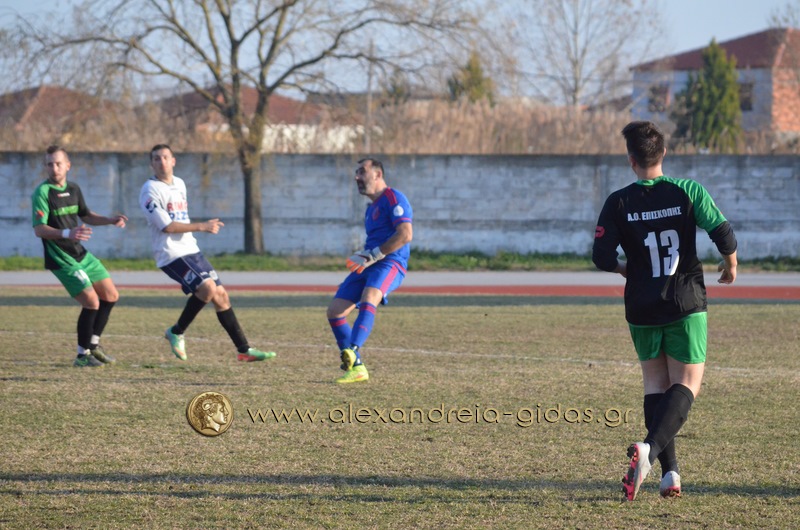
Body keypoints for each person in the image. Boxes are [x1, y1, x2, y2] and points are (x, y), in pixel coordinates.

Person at [592, 121, 738, 501]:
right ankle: (650, 450)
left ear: (631, 160)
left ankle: (670, 475)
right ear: (664, 154)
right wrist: (731, 264)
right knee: (686, 384)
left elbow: (601, 256)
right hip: (684, 301)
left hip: (641, 306)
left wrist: (625, 269)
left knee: (656, 385)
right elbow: (722, 232)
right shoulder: (688, 191)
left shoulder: (618, 201)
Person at [138, 144, 275, 363]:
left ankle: (244, 350)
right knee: (208, 288)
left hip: (191, 249)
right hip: (170, 253)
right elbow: (167, 227)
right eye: (156, 158)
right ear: (151, 164)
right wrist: (202, 226)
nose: (161, 162)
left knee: (221, 295)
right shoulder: (149, 190)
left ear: (173, 161)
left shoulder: (179, 184)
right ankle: (176, 331)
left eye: (165, 157)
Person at [32, 145, 128, 367]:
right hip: (60, 257)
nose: (54, 168)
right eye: (49, 164)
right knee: (92, 302)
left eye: (58, 163)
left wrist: (110, 220)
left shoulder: (74, 189)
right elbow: (39, 229)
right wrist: (68, 233)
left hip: (80, 253)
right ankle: (82, 356)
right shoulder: (42, 192)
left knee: (111, 295)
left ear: (68, 165)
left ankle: (93, 346)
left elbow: (86, 215)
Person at [326, 158, 413, 384]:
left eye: (362, 172)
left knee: (370, 296)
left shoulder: (394, 198)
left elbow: (405, 235)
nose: (357, 177)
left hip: (391, 262)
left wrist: (375, 254)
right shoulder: (371, 208)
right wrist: (366, 255)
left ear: (378, 174)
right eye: (356, 173)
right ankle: (357, 369)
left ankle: (353, 350)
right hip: (370, 262)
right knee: (335, 311)